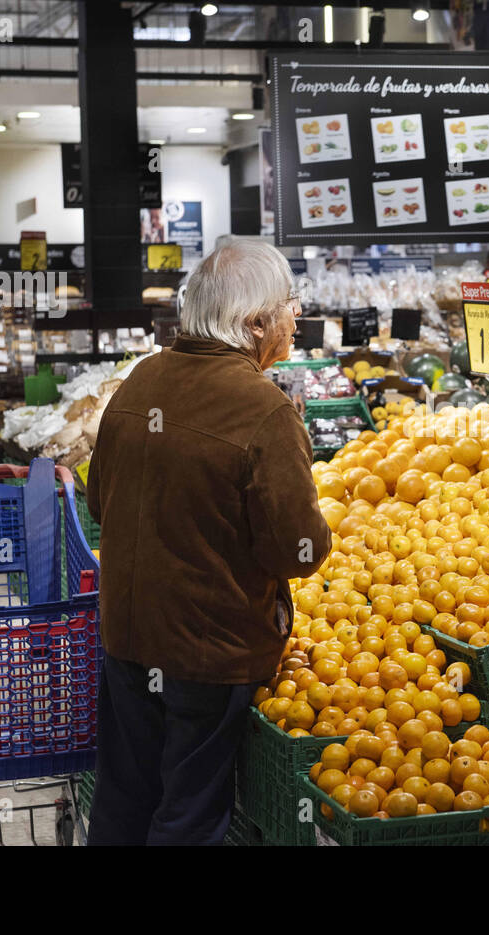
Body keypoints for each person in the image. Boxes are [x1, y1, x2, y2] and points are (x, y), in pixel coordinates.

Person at [85, 237, 332, 845]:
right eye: (289, 305)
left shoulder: (140, 383)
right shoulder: (265, 409)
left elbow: (100, 505)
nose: (296, 316)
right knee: (190, 812)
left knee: (124, 797)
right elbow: (294, 550)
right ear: (255, 323)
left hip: (126, 637)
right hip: (206, 649)